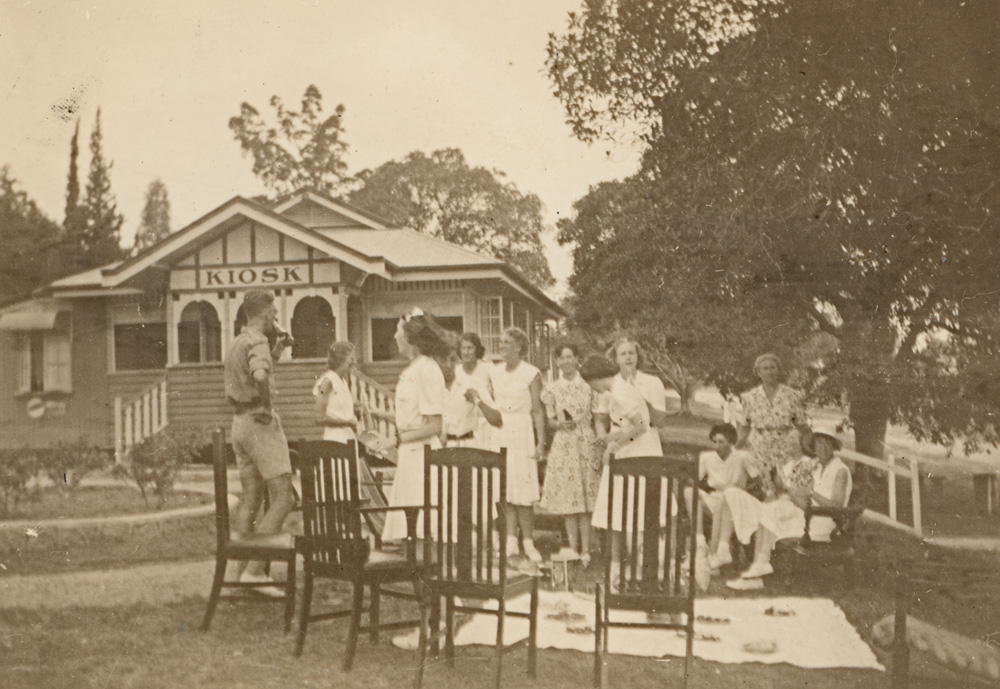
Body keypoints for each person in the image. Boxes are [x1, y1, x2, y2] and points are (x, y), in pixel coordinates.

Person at [223, 289, 295, 598]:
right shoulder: (258, 341)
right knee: (284, 497)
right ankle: (254, 572)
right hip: (258, 421)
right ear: (265, 314)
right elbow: (261, 375)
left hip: (239, 423)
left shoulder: (239, 341)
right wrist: (267, 407)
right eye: (274, 314)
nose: (276, 318)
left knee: (251, 497)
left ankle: (236, 575)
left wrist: (277, 350)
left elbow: (254, 370)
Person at [715, 430, 852, 590]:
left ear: (833, 446)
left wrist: (810, 493)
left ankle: (758, 571)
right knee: (770, 515)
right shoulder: (818, 468)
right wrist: (791, 493)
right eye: (818, 443)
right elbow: (805, 500)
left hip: (823, 524)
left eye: (826, 443)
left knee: (772, 517)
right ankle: (758, 569)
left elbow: (836, 506)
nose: (822, 447)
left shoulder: (840, 470)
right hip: (809, 517)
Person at [581, 353, 665, 584]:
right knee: (621, 513)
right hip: (632, 452)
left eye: (590, 382)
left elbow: (642, 426)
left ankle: (642, 569)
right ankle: (624, 568)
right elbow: (630, 426)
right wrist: (611, 438)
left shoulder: (619, 392)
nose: (591, 388)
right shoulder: (619, 389)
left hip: (638, 456)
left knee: (633, 513)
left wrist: (615, 446)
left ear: (597, 377)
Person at [369, 307, 451, 543]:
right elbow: (413, 418)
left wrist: (393, 440)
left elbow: (435, 425)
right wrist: (383, 415)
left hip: (423, 460)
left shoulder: (427, 369)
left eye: (397, 331)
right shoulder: (412, 369)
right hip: (410, 456)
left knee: (423, 533)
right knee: (411, 535)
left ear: (409, 338)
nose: (394, 336)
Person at [467, 327, 546, 563]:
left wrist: (541, 443)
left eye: (507, 342)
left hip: (522, 433)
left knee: (524, 492)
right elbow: (489, 402)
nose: (501, 346)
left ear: (519, 347)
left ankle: (528, 542)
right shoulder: (494, 372)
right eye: (500, 342)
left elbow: (537, 410)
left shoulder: (531, 373)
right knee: (505, 489)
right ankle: (511, 541)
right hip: (499, 432)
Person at [539, 342, 602, 567]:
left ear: (576, 359)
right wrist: (559, 424)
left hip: (585, 442)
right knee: (569, 500)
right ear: (557, 362)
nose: (566, 361)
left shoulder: (589, 386)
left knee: (585, 499)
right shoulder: (551, 389)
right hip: (564, 445)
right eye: (561, 358)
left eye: (569, 357)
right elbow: (550, 420)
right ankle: (573, 549)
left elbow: (597, 417)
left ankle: (586, 550)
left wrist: (598, 445)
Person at [735, 353, 811, 501]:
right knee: (763, 489)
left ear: (778, 370)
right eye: (765, 368)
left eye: (772, 368)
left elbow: (802, 426)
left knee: (784, 487)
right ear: (758, 372)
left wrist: (811, 449)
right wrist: (734, 449)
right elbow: (745, 427)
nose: (769, 372)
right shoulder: (750, 397)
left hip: (784, 449)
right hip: (760, 449)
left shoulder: (791, 395)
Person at [698, 423, 750, 554]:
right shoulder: (707, 457)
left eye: (721, 442)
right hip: (714, 499)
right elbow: (694, 479)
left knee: (722, 505)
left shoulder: (742, 457)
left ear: (731, 443)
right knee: (691, 493)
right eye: (715, 442)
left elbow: (757, 480)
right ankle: (700, 542)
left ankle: (714, 551)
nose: (717, 446)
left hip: (735, 502)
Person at [444, 332, 495, 449]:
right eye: (463, 348)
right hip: (466, 427)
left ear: (477, 349)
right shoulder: (456, 371)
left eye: (470, 348)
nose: (466, 352)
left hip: (486, 424)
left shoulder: (488, 368)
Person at [312, 341, 360, 444]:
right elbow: (319, 418)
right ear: (340, 359)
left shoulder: (342, 381)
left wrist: (354, 408)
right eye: (351, 358)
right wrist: (347, 422)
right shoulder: (327, 381)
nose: (355, 362)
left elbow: (338, 412)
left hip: (349, 438)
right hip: (334, 440)